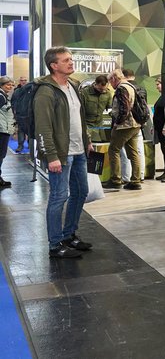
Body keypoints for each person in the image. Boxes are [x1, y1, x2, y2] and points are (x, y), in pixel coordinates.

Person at [34, 46, 93, 259]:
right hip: (60, 153)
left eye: (71, 59)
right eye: (66, 60)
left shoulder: (73, 85)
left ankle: (69, 235)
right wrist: (51, 156)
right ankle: (55, 244)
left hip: (79, 151)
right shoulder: (46, 92)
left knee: (81, 192)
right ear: (54, 65)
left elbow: (79, 118)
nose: (71, 62)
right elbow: (43, 127)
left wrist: (87, 140)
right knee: (59, 196)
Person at [103, 69, 142, 190]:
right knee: (133, 153)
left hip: (125, 125)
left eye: (110, 81)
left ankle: (115, 179)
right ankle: (136, 180)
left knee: (113, 150)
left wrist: (117, 122)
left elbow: (124, 108)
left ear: (114, 78)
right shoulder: (131, 86)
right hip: (135, 124)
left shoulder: (121, 88)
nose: (110, 85)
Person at [0, 77, 14, 188]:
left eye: (11, 85)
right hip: (1, 130)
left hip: (4, 129)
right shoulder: (1, 97)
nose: (10, 87)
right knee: (0, 155)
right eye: (7, 85)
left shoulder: (4, 95)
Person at [12, 77, 29, 153]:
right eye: (22, 80)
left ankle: (30, 144)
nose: (23, 82)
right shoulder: (16, 91)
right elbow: (13, 102)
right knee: (21, 131)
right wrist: (14, 113)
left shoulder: (31, 90)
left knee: (30, 131)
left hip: (29, 114)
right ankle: (20, 145)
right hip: (20, 114)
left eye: (25, 80)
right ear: (19, 81)